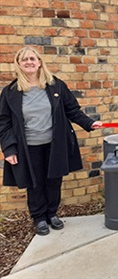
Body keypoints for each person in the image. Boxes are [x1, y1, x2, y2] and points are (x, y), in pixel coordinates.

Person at [0, 47, 102, 236]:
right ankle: (39, 217)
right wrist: (9, 149)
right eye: (24, 60)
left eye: (32, 58)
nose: (29, 62)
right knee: (35, 183)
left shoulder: (56, 86)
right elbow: (4, 123)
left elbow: (72, 110)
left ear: (39, 62)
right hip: (28, 147)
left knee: (54, 180)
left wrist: (89, 123)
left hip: (55, 144)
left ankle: (52, 213)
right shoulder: (10, 92)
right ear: (19, 64)